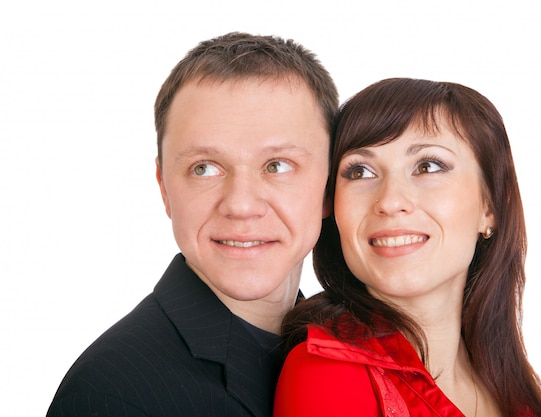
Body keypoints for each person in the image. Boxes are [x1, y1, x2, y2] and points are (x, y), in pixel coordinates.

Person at [47, 32, 338, 417]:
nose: (241, 205)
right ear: (165, 187)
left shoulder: (346, 357)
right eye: (204, 168)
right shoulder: (110, 394)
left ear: (330, 186)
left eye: (277, 165)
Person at [274, 78, 541, 417]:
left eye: (427, 166)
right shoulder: (326, 373)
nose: (390, 202)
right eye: (360, 171)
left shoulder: (511, 386)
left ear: (491, 206)